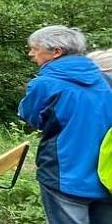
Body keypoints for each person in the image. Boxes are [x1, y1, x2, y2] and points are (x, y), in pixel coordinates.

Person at [18, 26, 112, 223]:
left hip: (65, 176)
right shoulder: (106, 80)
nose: (31, 54)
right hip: (106, 175)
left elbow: (31, 118)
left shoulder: (44, 84)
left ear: (56, 52)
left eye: (34, 48)